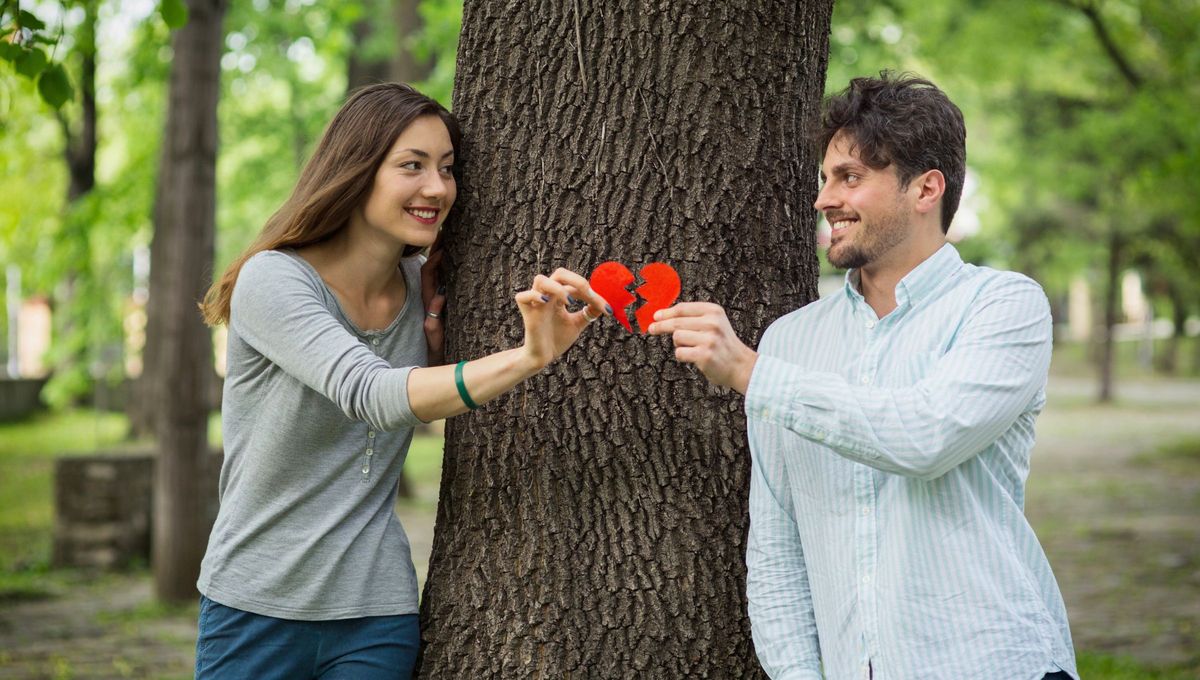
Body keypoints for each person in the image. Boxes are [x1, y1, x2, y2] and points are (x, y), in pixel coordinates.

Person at [649, 73, 1077, 680]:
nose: (824, 200)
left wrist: (746, 370)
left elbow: (924, 437)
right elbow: (777, 548)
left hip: (996, 662)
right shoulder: (789, 342)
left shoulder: (1003, 306)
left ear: (926, 188)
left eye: (850, 177)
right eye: (825, 178)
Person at [194, 82, 610, 679]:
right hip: (255, 605)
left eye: (447, 168)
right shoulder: (274, 280)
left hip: (376, 613)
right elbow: (373, 395)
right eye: (411, 165)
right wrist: (528, 357)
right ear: (356, 171)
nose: (437, 188)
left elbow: (425, 403)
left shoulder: (425, 287)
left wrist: (443, 345)